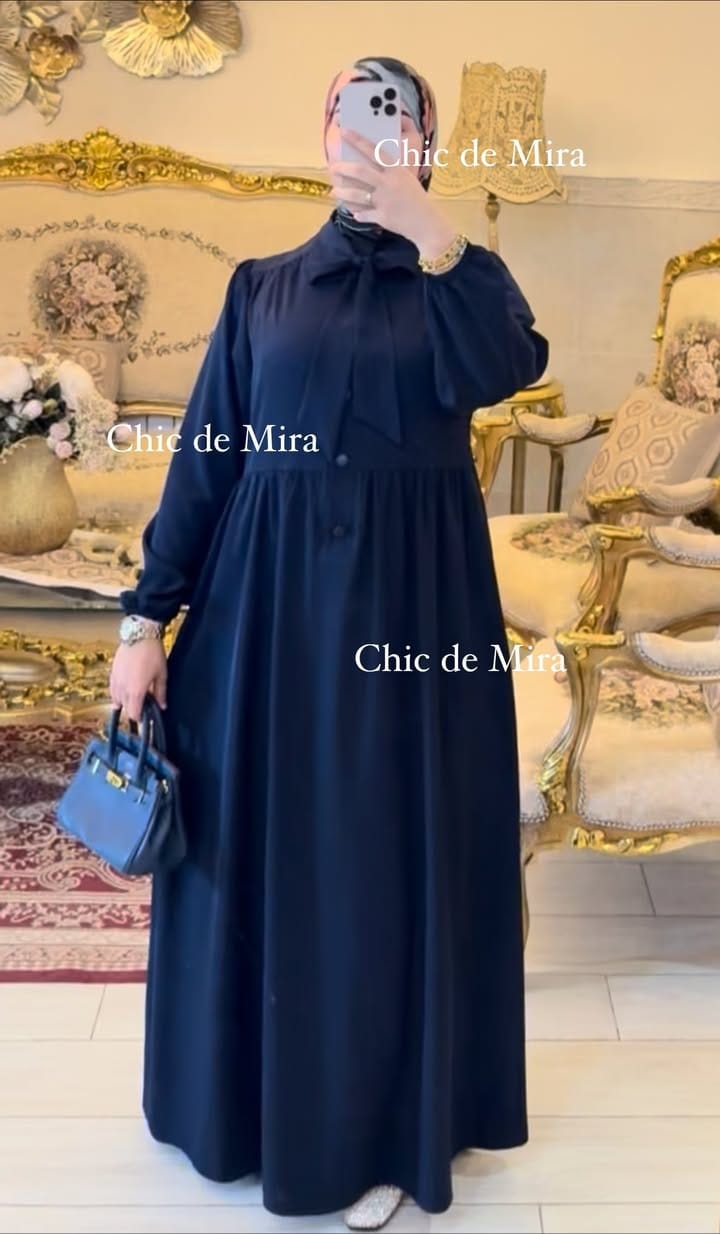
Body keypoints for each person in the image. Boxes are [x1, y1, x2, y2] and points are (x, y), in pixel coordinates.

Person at [111, 55, 548, 1233]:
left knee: (379, 859)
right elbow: (206, 459)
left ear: (425, 141)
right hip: (261, 623)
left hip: (411, 624)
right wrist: (147, 619)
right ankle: (244, 1110)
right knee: (262, 853)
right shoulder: (260, 289)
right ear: (322, 131)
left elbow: (512, 363)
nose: (367, 131)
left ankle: (384, 1128)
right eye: (350, 109)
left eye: (394, 115)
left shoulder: (460, 282)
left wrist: (432, 228)